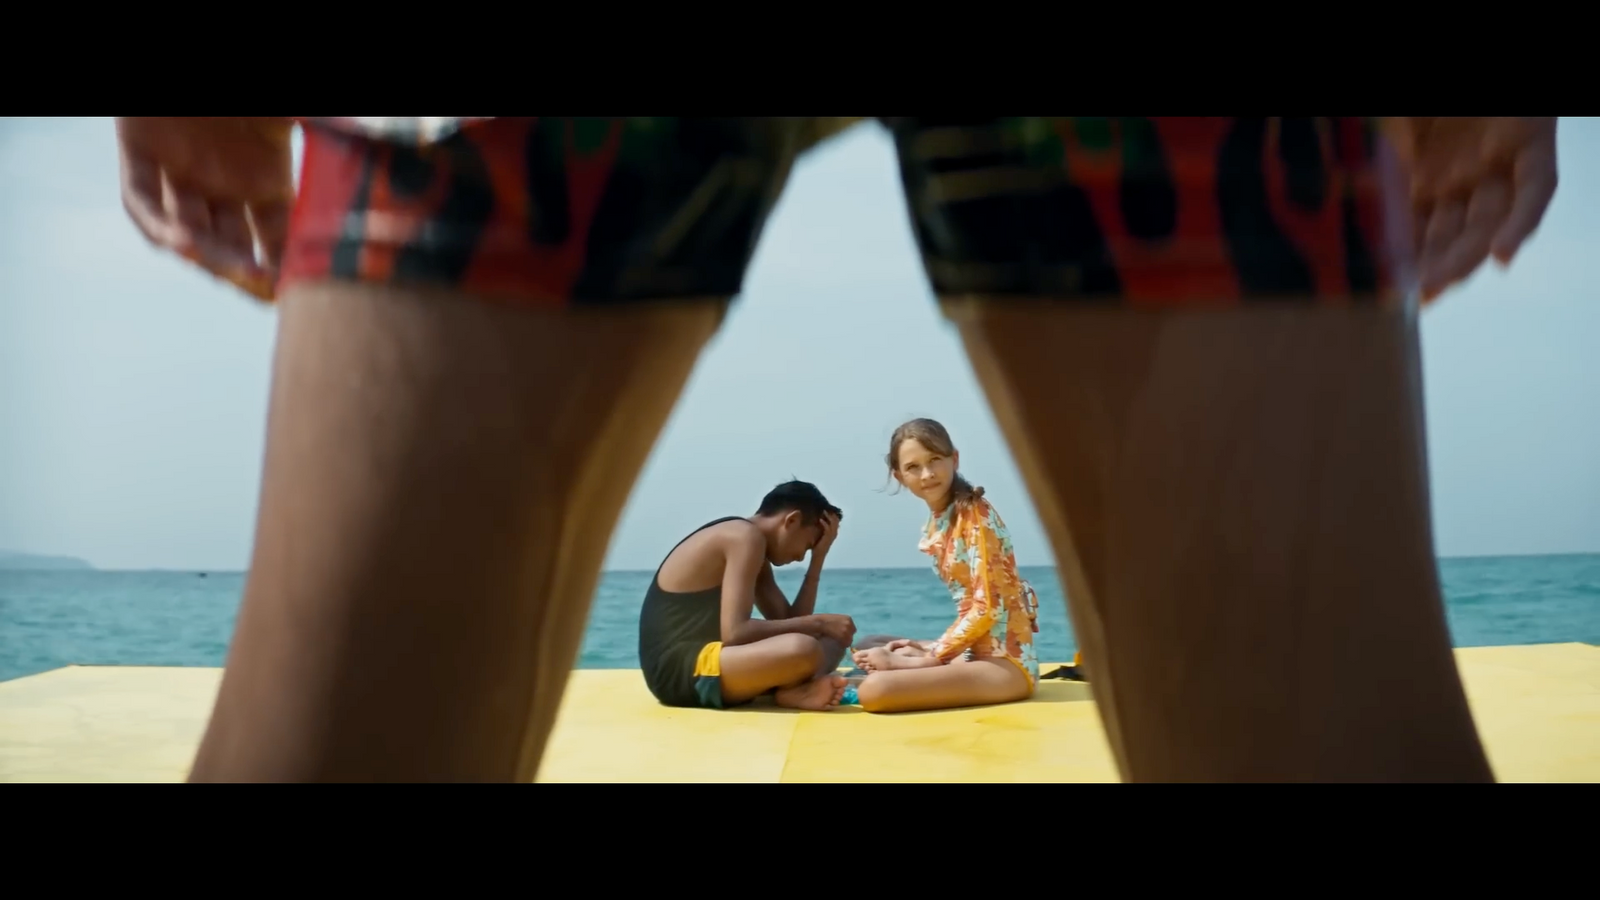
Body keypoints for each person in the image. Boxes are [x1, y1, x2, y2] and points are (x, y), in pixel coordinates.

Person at [115, 116, 1559, 783]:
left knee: (343, 740)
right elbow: (784, 625)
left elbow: (960, 612)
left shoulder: (922, 533)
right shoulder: (778, 542)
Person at [846, 419, 1042, 713]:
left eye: (935, 460)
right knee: (869, 643)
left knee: (876, 690)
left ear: (955, 459)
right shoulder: (943, 517)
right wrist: (928, 650)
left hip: (1004, 663)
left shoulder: (975, 513)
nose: (927, 474)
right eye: (913, 467)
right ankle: (913, 666)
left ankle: (890, 676)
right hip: (970, 654)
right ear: (899, 476)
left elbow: (987, 607)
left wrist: (929, 656)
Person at [638, 480, 856, 711]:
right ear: (791, 521)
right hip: (680, 670)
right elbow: (735, 633)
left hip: (716, 664)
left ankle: (793, 690)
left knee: (833, 639)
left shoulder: (756, 547)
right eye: (808, 545)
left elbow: (791, 619)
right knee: (803, 647)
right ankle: (792, 690)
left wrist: (818, 560)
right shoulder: (743, 537)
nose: (801, 557)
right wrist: (820, 622)